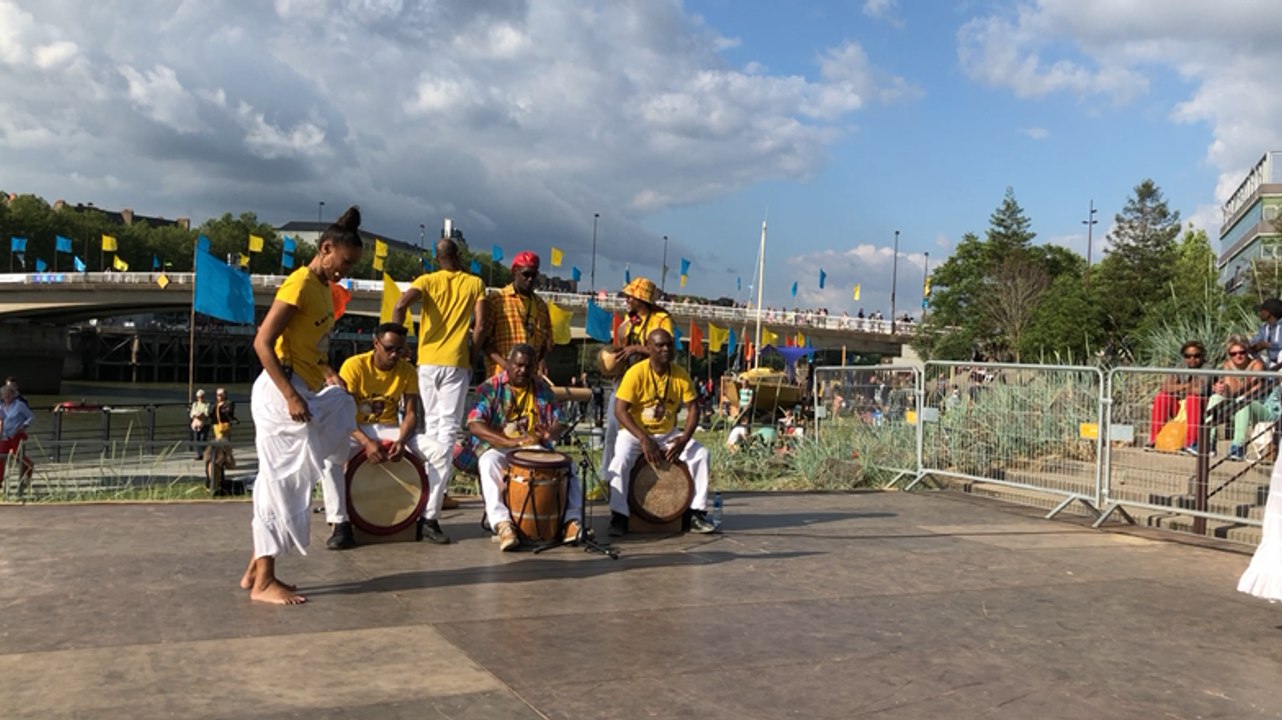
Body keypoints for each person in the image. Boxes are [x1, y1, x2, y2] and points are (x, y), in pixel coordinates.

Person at [240, 206, 363, 605]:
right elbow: (263, 343)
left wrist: (327, 372)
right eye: (343, 263)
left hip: (304, 387)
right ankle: (263, 582)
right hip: (282, 394)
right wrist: (291, 395)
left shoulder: (324, 291)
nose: (344, 272)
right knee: (281, 484)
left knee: (292, 478)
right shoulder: (298, 283)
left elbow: (309, 345)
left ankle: (255, 570)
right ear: (326, 249)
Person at [320, 323, 446, 549]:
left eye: (400, 349)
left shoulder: (406, 370)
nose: (395, 354)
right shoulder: (355, 365)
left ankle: (429, 520)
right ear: (376, 344)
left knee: (441, 452)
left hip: (390, 428)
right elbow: (343, 414)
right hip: (356, 428)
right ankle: (341, 524)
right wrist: (367, 443)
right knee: (330, 458)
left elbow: (410, 414)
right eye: (389, 348)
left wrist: (401, 440)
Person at [456, 344, 583, 551]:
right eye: (519, 365)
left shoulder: (542, 388)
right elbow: (474, 423)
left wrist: (551, 433)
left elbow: (561, 421)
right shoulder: (490, 387)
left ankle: (571, 522)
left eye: (528, 366)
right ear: (509, 363)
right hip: (499, 447)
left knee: (569, 467)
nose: (523, 370)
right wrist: (508, 443)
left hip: (533, 447)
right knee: (488, 462)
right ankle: (503, 524)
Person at [392, 236, 485, 520]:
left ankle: (426, 492)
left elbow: (399, 305)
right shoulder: (474, 283)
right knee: (446, 433)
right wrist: (473, 356)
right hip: (456, 363)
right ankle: (431, 506)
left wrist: (399, 342)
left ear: (436, 259)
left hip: (427, 362)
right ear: (459, 255)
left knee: (431, 429)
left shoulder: (426, 280)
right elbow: (479, 327)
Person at [605, 329, 715, 536]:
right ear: (649, 348)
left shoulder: (680, 374)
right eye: (660, 345)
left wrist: (684, 439)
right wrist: (643, 438)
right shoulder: (636, 373)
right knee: (620, 461)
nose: (665, 349)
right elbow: (620, 410)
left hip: (667, 434)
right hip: (635, 434)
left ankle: (696, 514)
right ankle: (619, 517)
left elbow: (693, 408)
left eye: (669, 345)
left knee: (700, 455)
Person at [600, 277, 674, 483]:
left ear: (642, 298)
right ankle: (607, 477)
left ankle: (642, 480)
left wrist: (637, 348)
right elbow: (621, 343)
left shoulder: (661, 319)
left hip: (651, 382)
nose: (627, 300)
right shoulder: (629, 318)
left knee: (647, 429)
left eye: (630, 296)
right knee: (613, 428)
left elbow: (667, 351)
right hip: (627, 379)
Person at [475, 251, 553, 378]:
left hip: (529, 379)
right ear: (514, 272)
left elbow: (547, 341)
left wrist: (541, 361)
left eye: (534, 275)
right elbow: (484, 340)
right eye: (526, 274)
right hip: (501, 376)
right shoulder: (497, 300)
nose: (530, 279)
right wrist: (506, 365)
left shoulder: (541, 306)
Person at [1207, 336, 1269, 461]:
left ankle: (1238, 446)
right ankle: (1209, 442)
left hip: (1260, 407)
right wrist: (1222, 389)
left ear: (1247, 352)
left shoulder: (1256, 365)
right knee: (1215, 398)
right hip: (1237, 405)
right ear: (1229, 355)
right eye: (1233, 353)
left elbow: (1253, 391)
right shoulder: (1227, 365)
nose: (1238, 356)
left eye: (1242, 352)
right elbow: (1230, 392)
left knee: (1243, 401)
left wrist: (1231, 386)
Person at [1147, 341, 1209, 453]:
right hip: (1180, 406)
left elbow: (1200, 390)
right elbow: (1166, 387)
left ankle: (1191, 443)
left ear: (1202, 355)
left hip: (1199, 407)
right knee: (1162, 397)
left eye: (1196, 356)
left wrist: (1177, 387)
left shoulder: (1207, 368)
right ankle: (1154, 439)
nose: (1192, 359)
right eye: (1188, 356)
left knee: (1193, 398)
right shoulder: (1180, 366)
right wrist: (1187, 385)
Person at [0, 382, 34, 484]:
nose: (7, 396)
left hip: (16, 435)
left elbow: (31, 417)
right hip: (4, 436)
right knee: (1, 457)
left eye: (9, 394)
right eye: (4, 394)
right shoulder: (1, 407)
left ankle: (29, 468)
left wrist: (23, 426)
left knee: (18, 456)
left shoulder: (19, 405)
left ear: (13, 395)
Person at [1249, 298, 1282, 368]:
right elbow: (1254, 341)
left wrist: (1266, 345)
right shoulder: (1265, 328)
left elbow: (1279, 345)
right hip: (1271, 362)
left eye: (1262, 310)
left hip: (1280, 363)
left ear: (1268, 313)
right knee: (1246, 352)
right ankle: (1262, 375)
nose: (1260, 313)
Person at [189, 389, 211, 460]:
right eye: (198, 397)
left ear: (204, 397)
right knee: (196, 439)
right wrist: (196, 415)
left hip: (205, 424)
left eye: (201, 397)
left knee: (203, 439)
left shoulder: (207, 404)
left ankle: (206, 453)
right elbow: (192, 414)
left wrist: (200, 414)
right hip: (196, 423)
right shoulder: (195, 404)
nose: (200, 398)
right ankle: (199, 454)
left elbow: (206, 413)